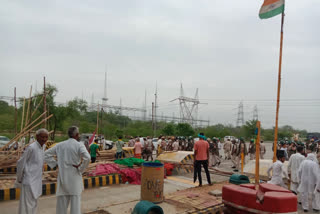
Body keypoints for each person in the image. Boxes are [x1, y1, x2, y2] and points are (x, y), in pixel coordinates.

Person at [44, 126, 90, 214]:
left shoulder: (60, 145)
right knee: (75, 207)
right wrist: (80, 168)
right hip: (75, 178)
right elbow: (87, 158)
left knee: (61, 206)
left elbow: (46, 154)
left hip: (63, 178)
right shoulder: (79, 145)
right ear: (76, 135)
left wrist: (56, 164)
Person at [16, 129, 49, 214]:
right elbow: (21, 162)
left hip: (37, 181)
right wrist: (19, 178)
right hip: (28, 180)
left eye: (46, 137)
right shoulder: (31, 147)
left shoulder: (43, 147)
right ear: (37, 137)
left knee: (34, 204)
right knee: (26, 206)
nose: (44, 139)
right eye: (42, 137)